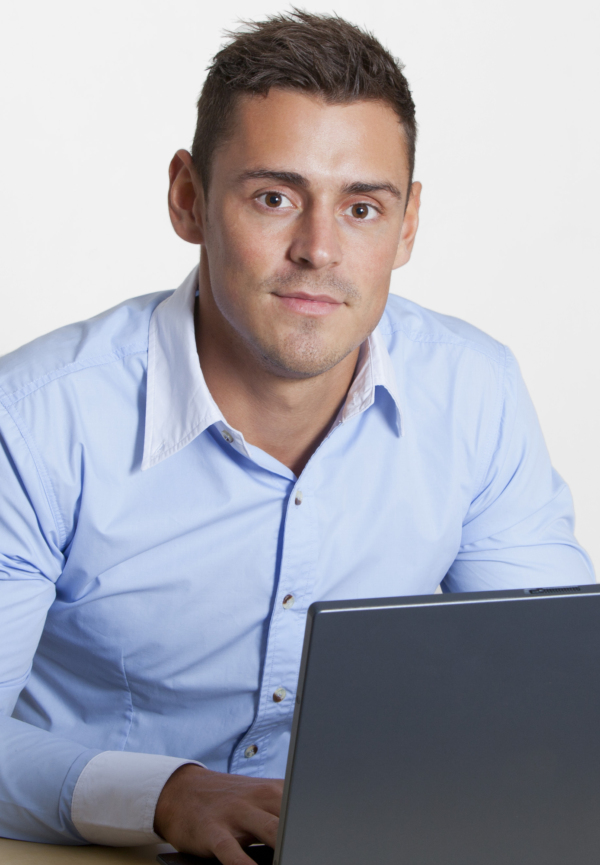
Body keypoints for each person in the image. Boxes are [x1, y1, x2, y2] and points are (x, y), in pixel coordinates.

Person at [0, 9, 593, 864]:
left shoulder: (475, 390)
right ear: (188, 199)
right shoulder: (34, 420)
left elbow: (552, 703)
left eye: (361, 206)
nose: (318, 249)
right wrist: (166, 793)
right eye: (274, 197)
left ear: (409, 224)